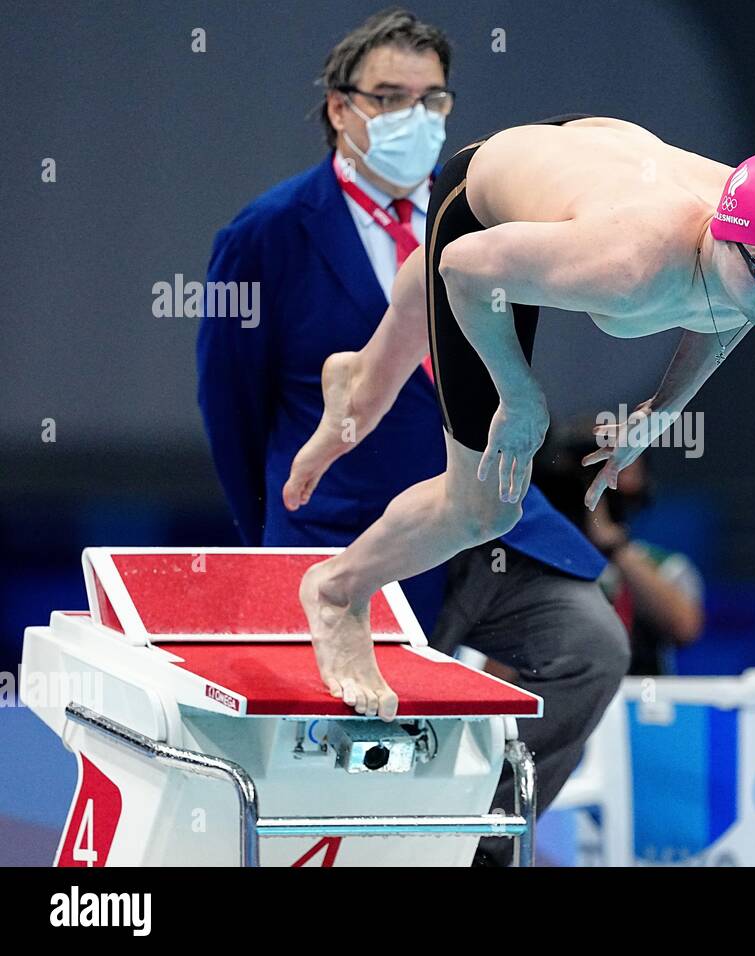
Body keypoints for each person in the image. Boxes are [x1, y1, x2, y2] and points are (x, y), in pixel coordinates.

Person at [197, 8, 629, 866]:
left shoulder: (488, 218)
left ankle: (471, 841)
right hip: (348, 532)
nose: (414, 119)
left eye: (431, 100)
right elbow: (230, 411)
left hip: (485, 527)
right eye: (389, 98)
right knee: (352, 742)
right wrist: (277, 551)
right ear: (338, 108)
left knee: (589, 645)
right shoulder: (265, 235)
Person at [283, 114, 755, 719]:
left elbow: (734, 303)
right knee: (483, 508)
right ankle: (338, 590)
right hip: (486, 206)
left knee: (372, 399)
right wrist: (520, 393)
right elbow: (461, 266)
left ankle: (362, 378)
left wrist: (662, 409)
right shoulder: (627, 266)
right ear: (721, 235)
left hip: (589, 158)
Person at [532, 422, 705, 675]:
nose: (598, 484)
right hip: (565, 697)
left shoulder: (663, 564)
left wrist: (615, 548)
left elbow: (685, 627)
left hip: (641, 702)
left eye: (614, 470)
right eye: (589, 474)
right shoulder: (541, 563)